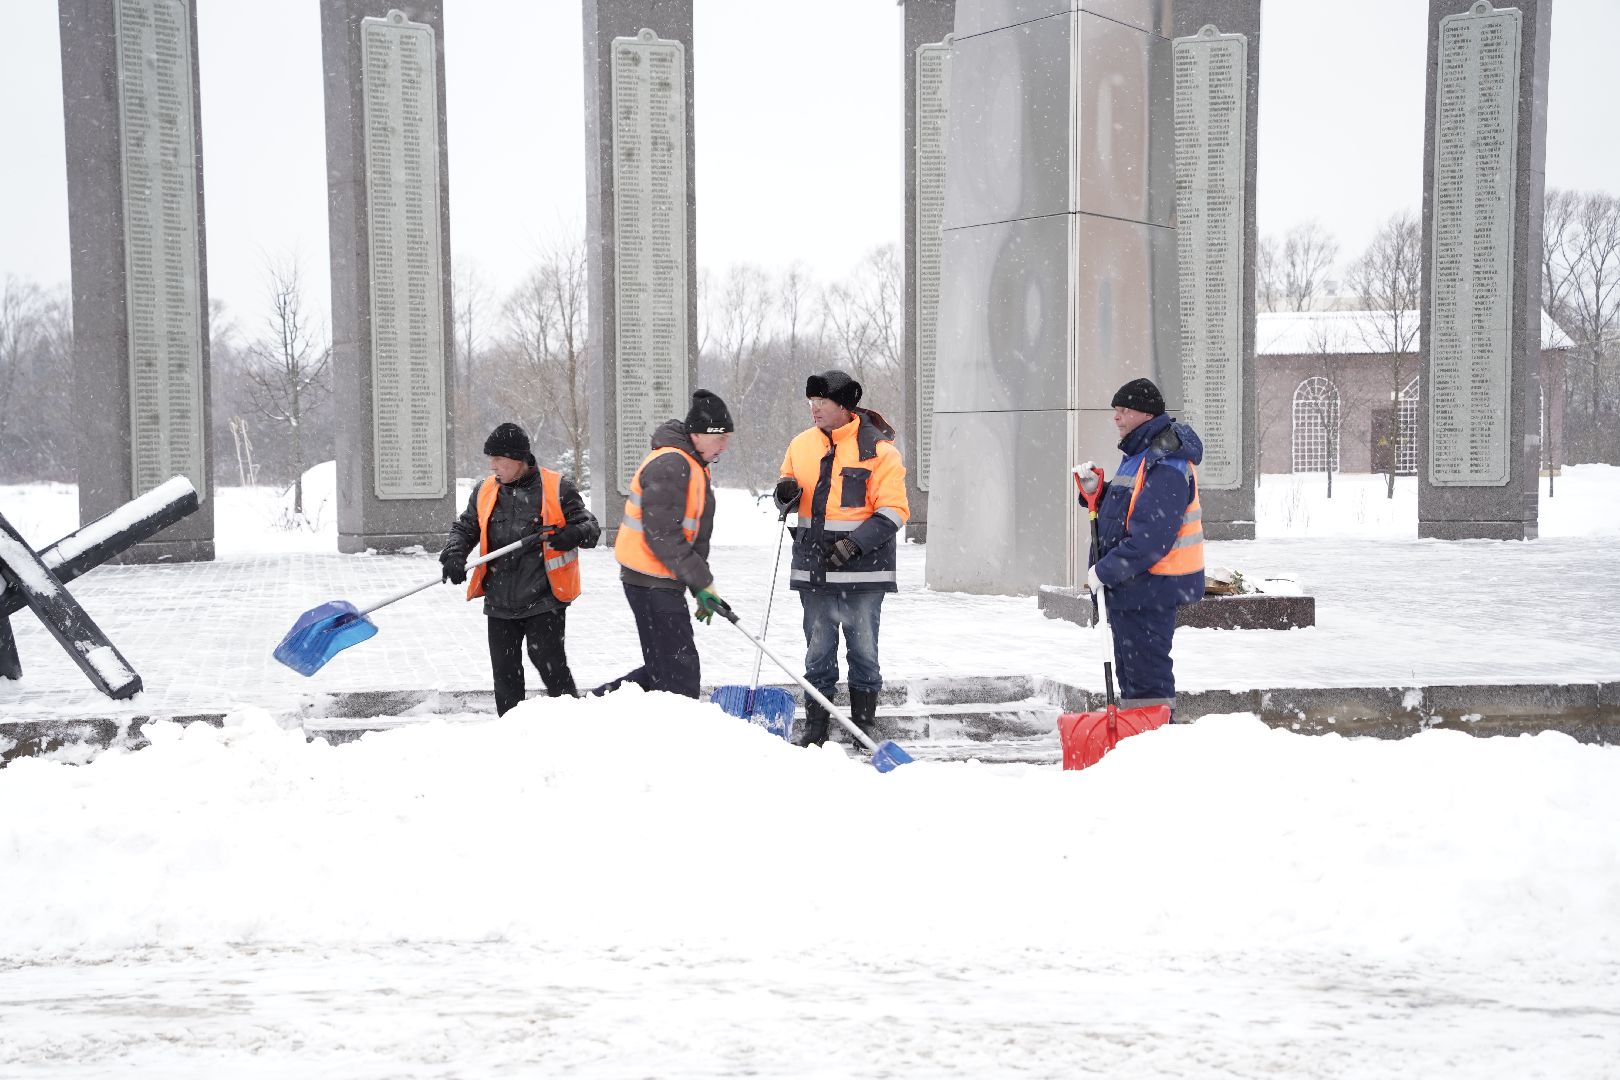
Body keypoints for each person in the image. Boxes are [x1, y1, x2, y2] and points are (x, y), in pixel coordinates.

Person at [773, 370, 909, 747]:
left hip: (863, 574)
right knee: (817, 654)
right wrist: (783, 493)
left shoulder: (880, 451)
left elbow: (895, 510)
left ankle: (863, 726)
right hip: (814, 569)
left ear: (845, 406)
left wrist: (853, 545)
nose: (814, 408)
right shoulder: (800, 445)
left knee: (863, 652)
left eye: (823, 401)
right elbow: (787, 489)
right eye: (811, 401)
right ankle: (816, 728)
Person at [439, 423, 601, 715]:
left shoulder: (557, 488)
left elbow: (590, 528)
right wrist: (454, 554)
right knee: (505, 677)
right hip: (499, 601)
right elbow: (465, 527)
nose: (492, 466)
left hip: (544, 600)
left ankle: (572, 723)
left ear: (518, 459)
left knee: (551, 668)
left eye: (498, 459)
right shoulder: (485, 490)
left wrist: (571, 534)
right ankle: (511, 731)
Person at [594, 389, 734, 699]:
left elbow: (693, 536)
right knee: (680, 673)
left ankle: (593, 705)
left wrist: (700, 587)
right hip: (649, 581)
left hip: (661, 580)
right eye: (720, 438)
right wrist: (702, 581)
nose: (724, 446)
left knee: (663, 669)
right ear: (697, 434)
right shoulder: (671, 464)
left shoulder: (693, 463)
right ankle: (591, 707)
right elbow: (663, 535)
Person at [1080, 377, 1205, 717]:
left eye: (1124, 410)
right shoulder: (1140, 454)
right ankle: (1138, 735)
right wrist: (1097, 493)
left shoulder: (1165, 462)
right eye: (1115, 410)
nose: (1116, 417)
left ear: (1146, 414)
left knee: (1147, 680)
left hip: (1151, 588)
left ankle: (1155, 738)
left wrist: (1104, 571)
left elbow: (1151, 539)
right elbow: (1131, 509)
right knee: (1133, 678)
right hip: (1134, 588)